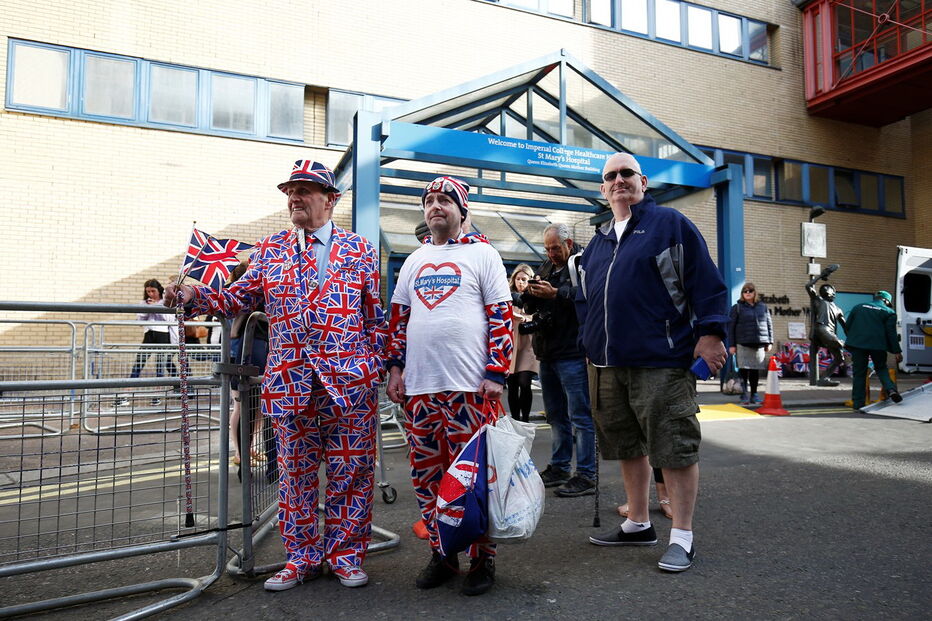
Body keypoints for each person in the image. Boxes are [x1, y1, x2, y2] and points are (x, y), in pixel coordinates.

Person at [164, 159, 387, 591]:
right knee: (294, 476)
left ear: (330, 199)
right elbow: (235, 298)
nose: (294, 198)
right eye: (289, 191)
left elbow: (375, 318)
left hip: (350, 384)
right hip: (290, 382)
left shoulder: (360, 250)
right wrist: (193, 294)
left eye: (304, 190)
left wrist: (371, 365)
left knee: (351, 474)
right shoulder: (272, 249)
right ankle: (300, 558)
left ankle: (345, 556)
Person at [577, 152, 728, 573]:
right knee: (627, 444)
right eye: (611, 176)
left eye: (627, 173)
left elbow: (706, 283)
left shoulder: (669, 225)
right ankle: (638, 522)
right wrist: (587, 342)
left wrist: (711, 334)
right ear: (603, 188)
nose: (619, 180)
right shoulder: (600, 240)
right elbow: (585, 300)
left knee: (674, 447)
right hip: (607, 364)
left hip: (661, 360)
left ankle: (682, 536)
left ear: (644, 182)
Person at [385, 175, 512, 596]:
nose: (435, 206)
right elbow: (399, 319)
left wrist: (496, 372)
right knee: (428, 478)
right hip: (420, 391)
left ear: (462, 210)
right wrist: (395, 369)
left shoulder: (485, 255)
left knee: (475, 480)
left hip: (470, 390)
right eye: (429, 200)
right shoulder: (415, 261)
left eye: (444, 200)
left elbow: (501, 315)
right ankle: (443, 554)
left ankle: (482, 559)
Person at [522, 223, 596, 498]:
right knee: (555, 415)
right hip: (548, 351)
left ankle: (586, 474)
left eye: (555, 248)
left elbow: (591, 296)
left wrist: (556, 293)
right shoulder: (545, 268)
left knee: (580, 415)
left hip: (573, 351)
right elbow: (534, 306)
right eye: (547, 248)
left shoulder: (582, 263)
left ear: (569, 243)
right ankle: (561, 466)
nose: (551, 253)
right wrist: (530, 296)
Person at [225, 261, 270, 466]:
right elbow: (233, 331)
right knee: (240, 406)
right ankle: (239, 452)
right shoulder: (241, 295)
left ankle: (246, 449)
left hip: (252, 353)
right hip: (241, 355)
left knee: (254, 407)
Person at [845, 290, 903, 409]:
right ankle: (891, 389)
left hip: (858, 345)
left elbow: (848, 325)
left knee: (859, 373)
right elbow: (891, 333)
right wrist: (897, 351)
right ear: (886, 301)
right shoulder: (889, 312)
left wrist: (854, 339)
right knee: (881, 368)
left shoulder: (858, 307)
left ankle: (858, 404)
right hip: (878, 346)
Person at [727, 282, 774, 405]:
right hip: (742, 343)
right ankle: (744, 395)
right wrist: (731, 345)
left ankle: (754, 395)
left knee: (755, 371)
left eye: (750, 291)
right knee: (743, 371)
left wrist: (770, 341)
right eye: (745, 291)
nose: (747, 293)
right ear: (742, 294)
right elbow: (730, 327)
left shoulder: (762, 307)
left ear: (755, 292)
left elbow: (769, 325)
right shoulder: (737, 307)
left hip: (759, 344)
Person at [507, 264, 539, 423]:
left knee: (524, 382)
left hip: (528, 345)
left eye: (524, 279)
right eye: (518, 279)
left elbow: (540, 317)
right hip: (512, 344)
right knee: (512, 385)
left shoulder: (535, 298)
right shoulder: (507, 296)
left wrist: (526, 319)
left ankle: (525, 420)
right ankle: (514, 420)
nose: (520, 282)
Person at [129, 279, 177, 380]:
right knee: (141, 358)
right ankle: (131, 382)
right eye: (148, 291)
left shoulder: (166, 301)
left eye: (153, 291)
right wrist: (147, 309)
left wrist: (156, 306)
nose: (150, 294)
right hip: (149, 333)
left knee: (163, 361)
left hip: (163, 333)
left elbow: (170, 319)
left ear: (159, 290)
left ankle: (174, 383)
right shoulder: (143, 302)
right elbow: (139, 320)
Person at [806, 267, 847, 386]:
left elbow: (845, 326)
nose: (832, 293)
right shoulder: (819, 300)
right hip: (821, 329)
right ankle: (849, 345)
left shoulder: (838, 309)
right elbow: (808, 286)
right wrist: (820, 275)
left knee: (840, 358)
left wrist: (853, 336)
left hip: (830, 334)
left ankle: (823, 379)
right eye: (830, 290)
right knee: (840, 343)